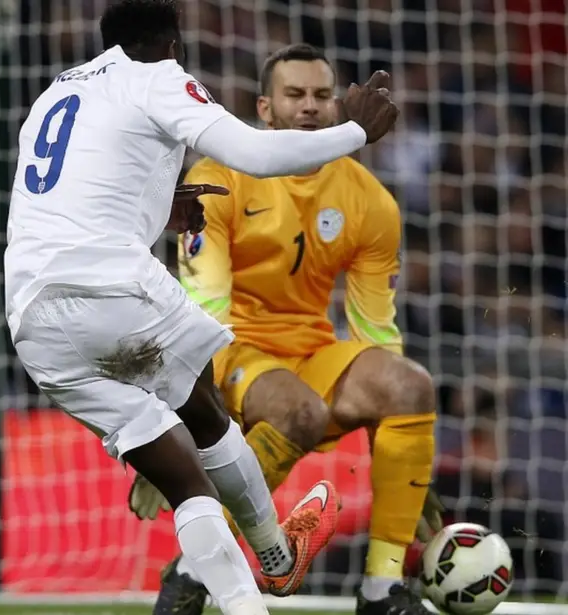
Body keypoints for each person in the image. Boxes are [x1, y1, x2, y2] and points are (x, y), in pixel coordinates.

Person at [3, 1, 399, 614]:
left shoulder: (57, 92)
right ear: (172, 42)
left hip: (32, 319)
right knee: (207, 412)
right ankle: (273, 553)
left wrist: (162, 204)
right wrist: (357, 132)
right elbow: (259, 155)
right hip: (114, 291)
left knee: (184, 478)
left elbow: (72, 196)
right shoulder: (158, 76)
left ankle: (257, 580)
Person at [128, 44, 441, 615]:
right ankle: (193, 571)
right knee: (301, 411)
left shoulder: (370, 201)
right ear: (265, 109)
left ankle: (382, 590)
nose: (310, 107)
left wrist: (401, 455)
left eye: (323, 96)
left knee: (410, 386)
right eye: (295, 95)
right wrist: (175, 425)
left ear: (340, 108)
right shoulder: (218, 179)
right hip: (230, 354)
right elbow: (201, 315)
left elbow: (374, 329)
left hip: (310, 357)